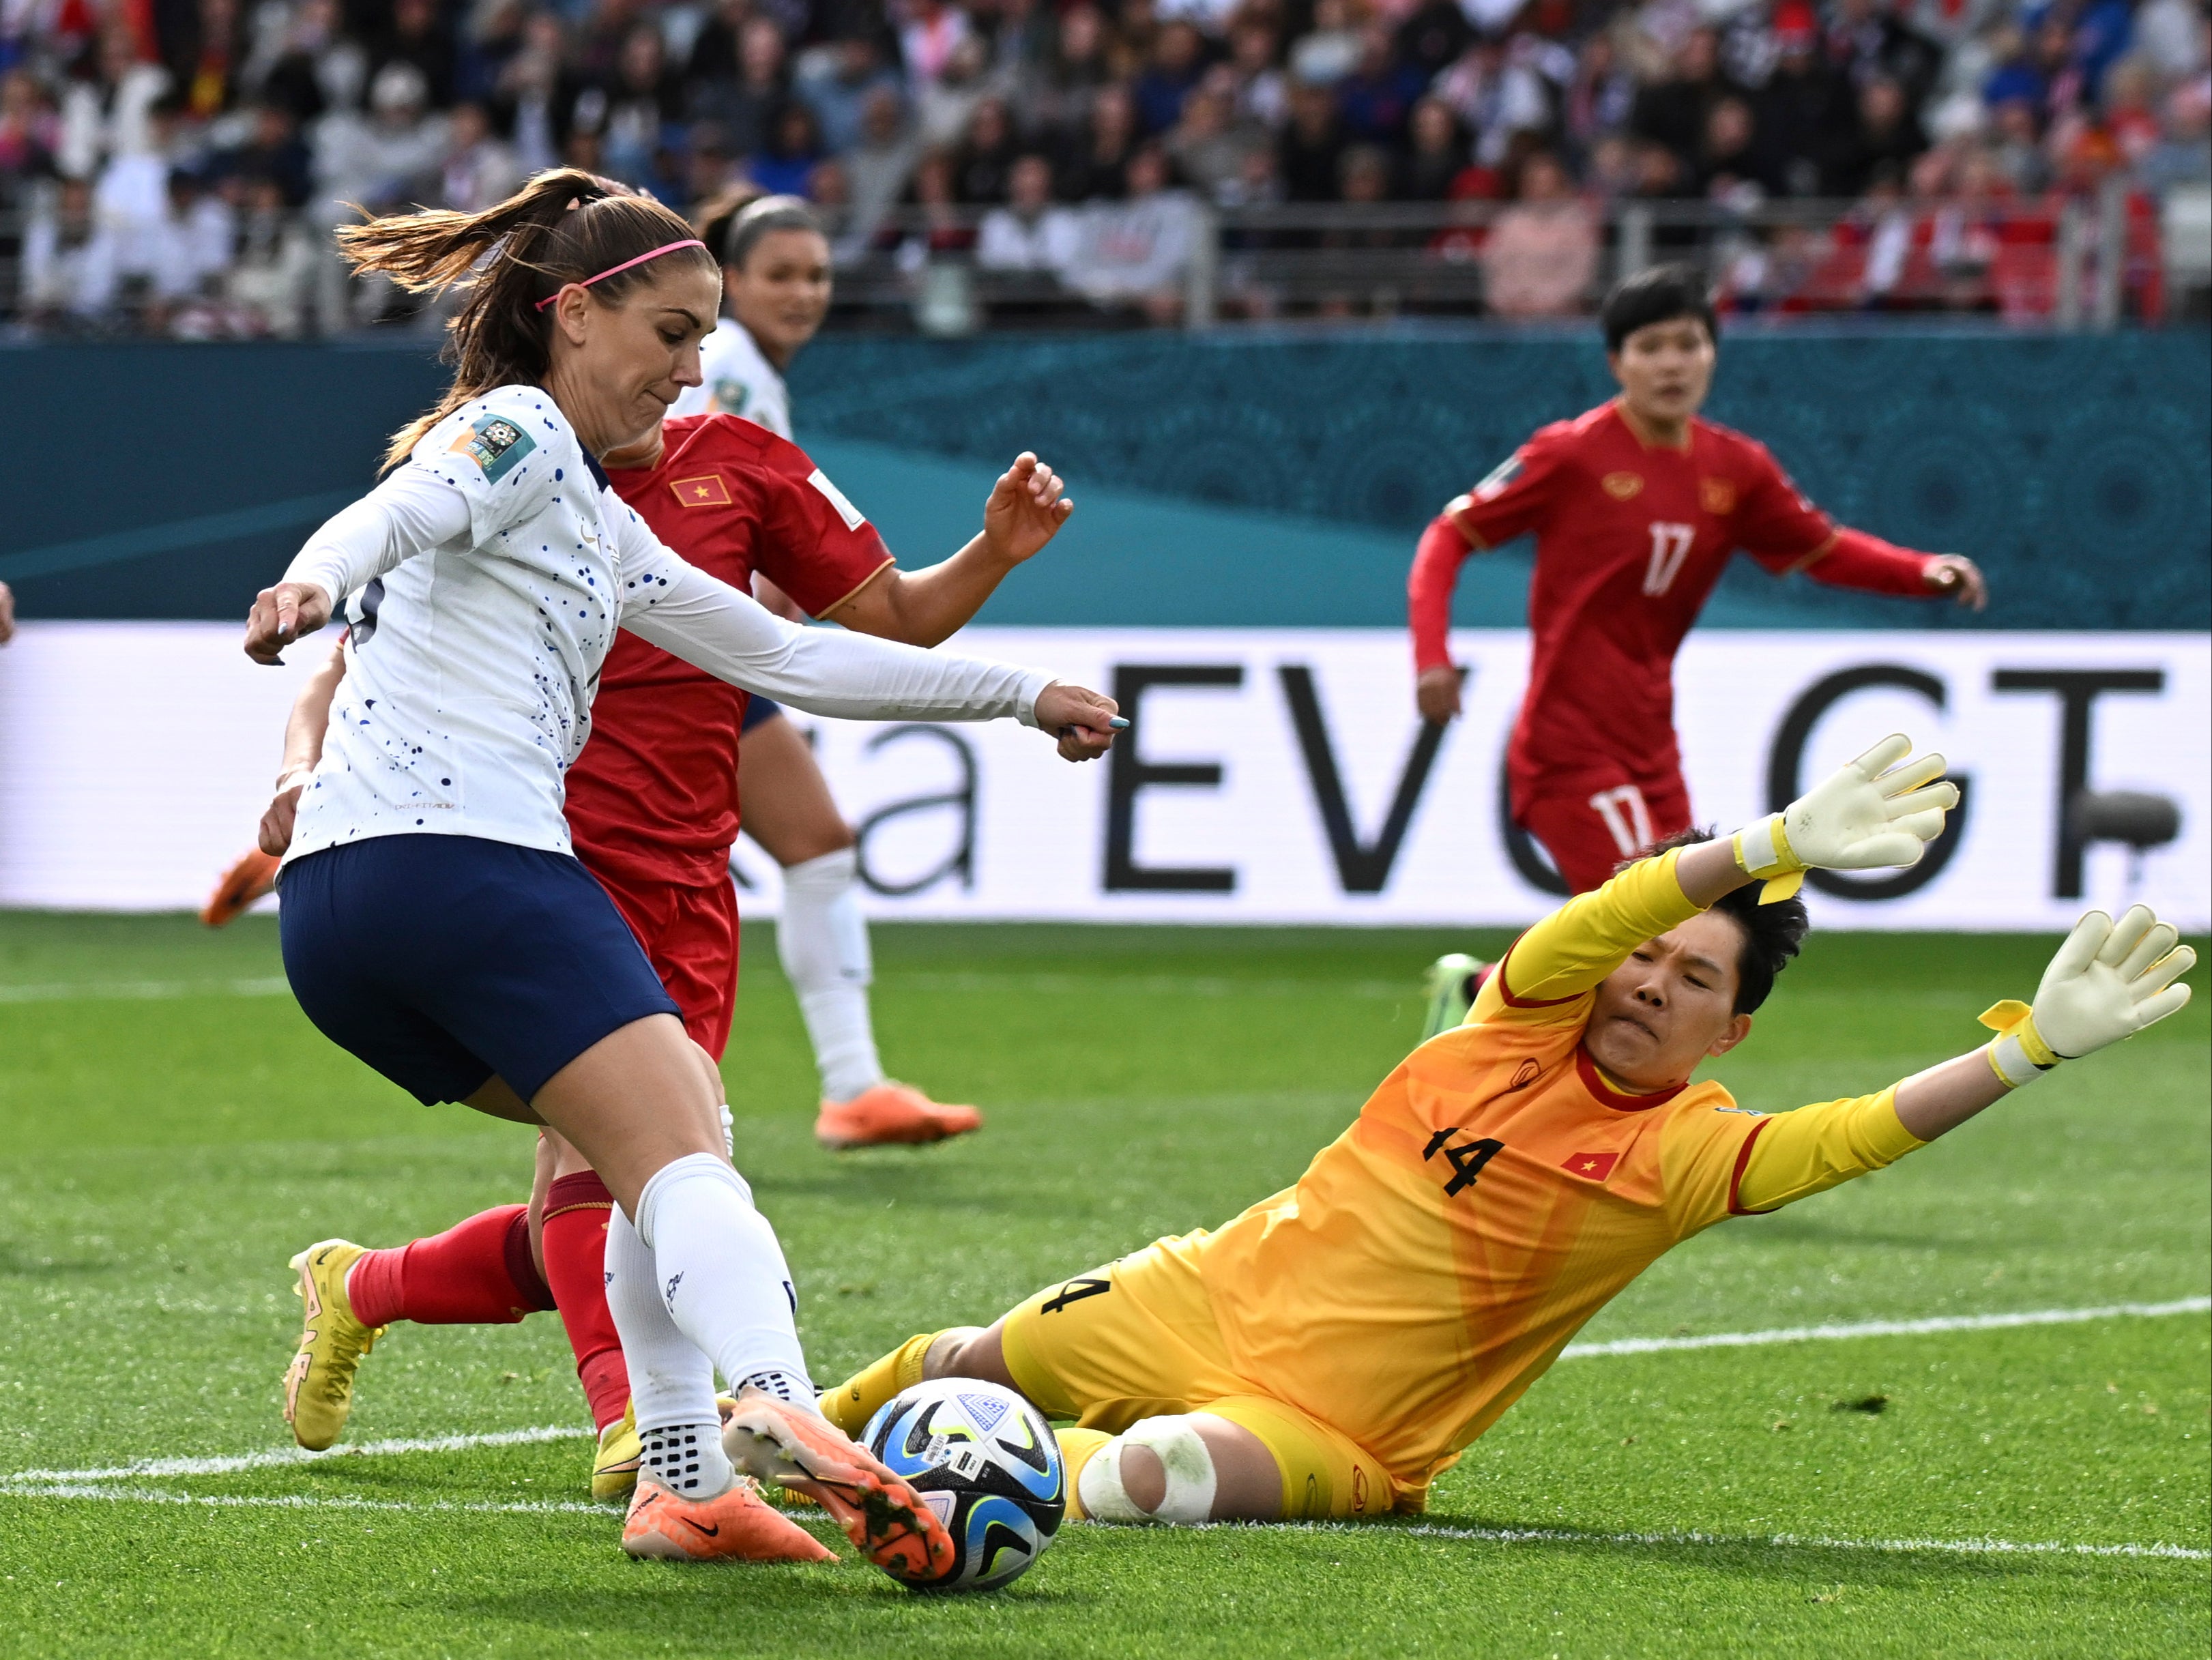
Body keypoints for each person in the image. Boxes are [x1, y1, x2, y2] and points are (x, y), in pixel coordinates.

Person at [246, 167, 1120, 1573]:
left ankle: (680, 1479)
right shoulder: (521, 426)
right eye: (671, 331)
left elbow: (786, 654)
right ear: (575, 314)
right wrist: (305, 574)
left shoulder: (594, 520)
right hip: (475, 869)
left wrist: (1019, 694)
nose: (692, 367)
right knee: (685, 1152)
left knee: (647, 1155)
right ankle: (770, 1396)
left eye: (706, 339)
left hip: (341, 929)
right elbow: (389, 522)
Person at [820, 740, 2195, 1525]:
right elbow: (1596, 917)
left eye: (1697, 978)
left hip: (1332, 1428)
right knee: (958, 1355)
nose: (1652, 978)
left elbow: (1853, 1135)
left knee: (1146, 1478)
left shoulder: (1686, 1154)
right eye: (1651, 955)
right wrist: (1768, 837)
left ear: (1729, 1032)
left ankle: (945, 1484)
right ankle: (762, 1431)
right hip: (1201, 1288)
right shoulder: (1514, 1008)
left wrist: (2026, 1049)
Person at [1406, 264, 1989, 1030]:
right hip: (1567, 743)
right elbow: (1449, 534)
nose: (1672, 363)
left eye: (1688, 343)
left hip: (1650, 740)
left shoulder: (1734, 468)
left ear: (1712, 354)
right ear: (1616, 363)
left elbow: (1821, 549)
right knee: (1647, 926)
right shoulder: (1569, 453)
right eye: (1650, 347)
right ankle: (1574, 1077)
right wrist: (1430, 656)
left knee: (1687, 917)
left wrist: (1921, 573)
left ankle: (1481, 991)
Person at [676, 192, 991, 1144]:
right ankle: (695, 1107)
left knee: (812, 847)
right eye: (780, 274)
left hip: (707, 649)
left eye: (816, 275)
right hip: (692, 652)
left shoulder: (739, 369)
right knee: (697, 874)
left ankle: (848, 1087)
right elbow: (713, 506)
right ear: (729, 281)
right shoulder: (731, 371)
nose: (803, 293)